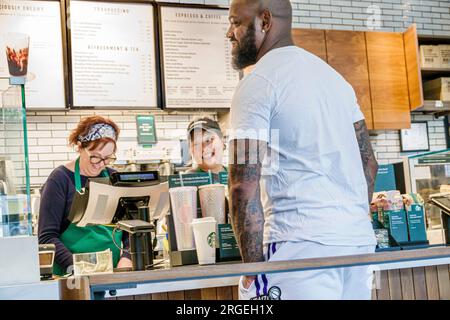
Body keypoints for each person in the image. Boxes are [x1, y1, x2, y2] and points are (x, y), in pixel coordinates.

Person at [226, 0, 378, 300]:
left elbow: (243, 185)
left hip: (298, 248)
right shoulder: (336, 81)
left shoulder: (257, 83)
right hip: (358, 245)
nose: (229, 33)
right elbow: (369, 165)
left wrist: (253, 270)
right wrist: (346, 224)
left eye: (235, 23)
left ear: (264, 21)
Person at [38, 116, 132, 275]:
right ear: (80, 146)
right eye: (95, 156)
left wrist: (127, 256)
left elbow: (130, 228)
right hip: (72, 278)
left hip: (114, 274)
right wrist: (79, 268)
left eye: (108, 158)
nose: (101, 164)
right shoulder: (60, 179)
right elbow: (47, 238)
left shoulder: (114, 178)